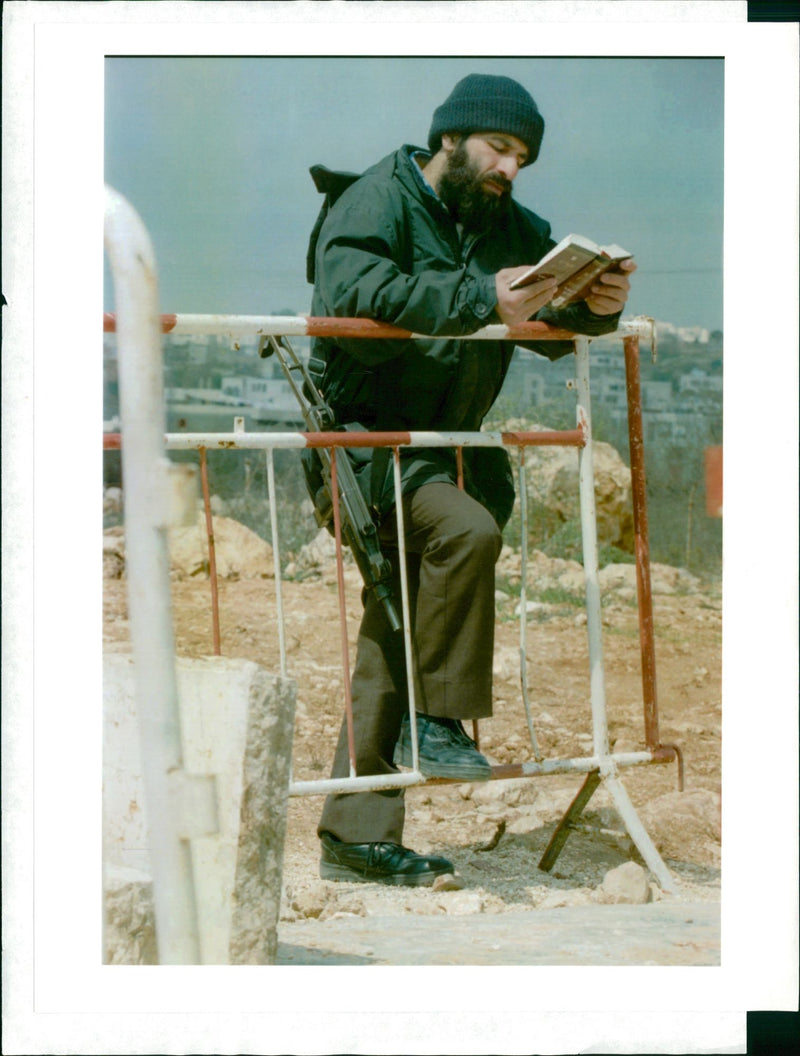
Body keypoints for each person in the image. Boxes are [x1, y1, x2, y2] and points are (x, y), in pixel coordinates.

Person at [305, 73, 636, 886]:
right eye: (498, 147)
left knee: (396, 622)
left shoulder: (506, 223)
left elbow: (551, 326)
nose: (509, 168)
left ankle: (356, 832)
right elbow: (348, 293)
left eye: (522, 155)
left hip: (449, 452)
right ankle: (438, 720)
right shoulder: (373, 199)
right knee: (464, 532)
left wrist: (599, 307)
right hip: (363, 450)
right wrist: (478, 294)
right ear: (450, 138)